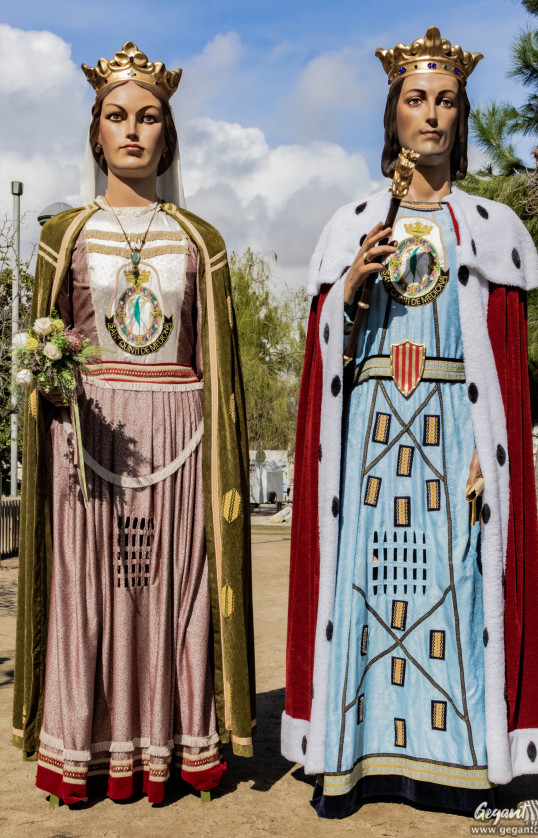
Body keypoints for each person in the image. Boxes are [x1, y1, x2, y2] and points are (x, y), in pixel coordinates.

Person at [282, 26, 538, 818]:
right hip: (369, 446)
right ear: (392, 116)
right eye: (414, 101)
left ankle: (457, 768)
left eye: (444, 102)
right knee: (365, 596)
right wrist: (348, 293)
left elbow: (502, 367)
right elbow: (323, 364)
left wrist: (491, 454)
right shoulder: (351, 225)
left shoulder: (489, 228)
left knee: (454, 597)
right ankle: (356, 759)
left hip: (451, 447)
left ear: (460, 117)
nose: (429, 116)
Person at [12, 42, 256, 805]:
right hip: (89, 441)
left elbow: (221, 374)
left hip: (181, 441)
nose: (132, 131)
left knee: (174, 596)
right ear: (95, 133)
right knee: (89, 594)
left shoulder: (200, 240)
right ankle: (83, 750)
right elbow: (39, 348)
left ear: (168, 135)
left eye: (148, 118)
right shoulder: (64, 236)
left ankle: (174, 749)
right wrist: (46, 391)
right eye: (116, 117)